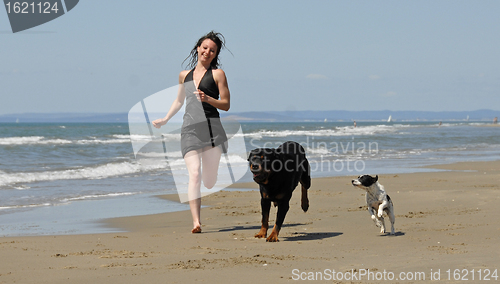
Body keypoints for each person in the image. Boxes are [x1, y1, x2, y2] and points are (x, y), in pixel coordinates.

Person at [152, 31, 230, 233]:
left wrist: (208, 99)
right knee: (194, 174)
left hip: (213, 130)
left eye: (212, 50)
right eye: (205, 48)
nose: (207, 52)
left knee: (209, 181)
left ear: (215, 54)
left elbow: (226, 104)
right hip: (189, 130)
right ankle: (196, 222)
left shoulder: (218, 74)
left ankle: (210, 175)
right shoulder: (183, 75)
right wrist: (166, 119)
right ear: (198, 48)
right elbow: (179, 100)